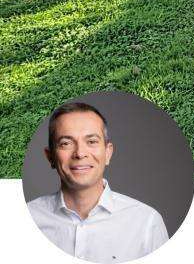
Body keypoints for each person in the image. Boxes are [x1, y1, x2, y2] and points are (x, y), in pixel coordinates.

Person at [26, 101, 169, 263]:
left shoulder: (146, 223)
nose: (80, 153)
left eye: (92, 141)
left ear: (108, 153)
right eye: (66, 143)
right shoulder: (24, 220)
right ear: (50, 156)